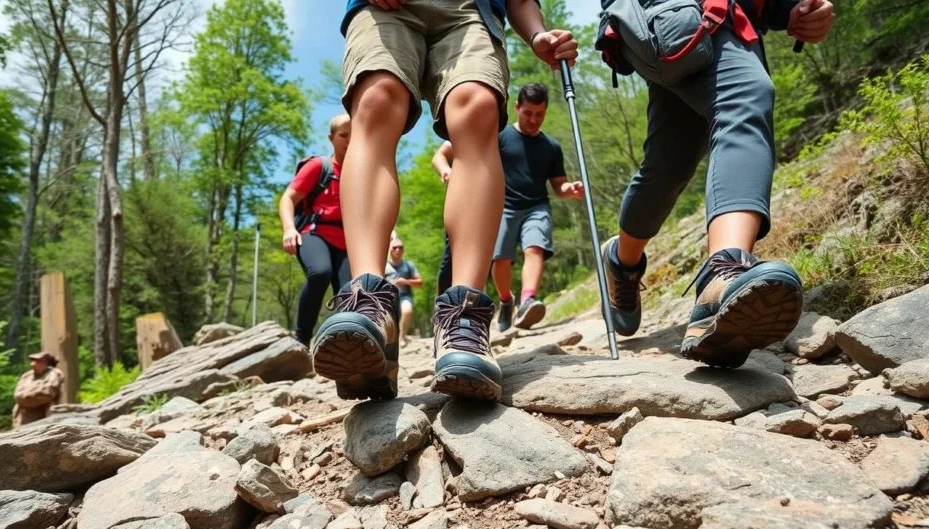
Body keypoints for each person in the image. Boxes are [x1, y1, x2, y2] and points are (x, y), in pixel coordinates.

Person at [311, 0, 577, 402]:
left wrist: (536, 32)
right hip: (384, 9)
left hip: (473, 9)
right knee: (376, 100)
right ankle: (368, 306)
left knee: (479, 107)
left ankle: (464, 318)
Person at [599, 0, 835, 368]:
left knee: (669, 163)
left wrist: (790, 10)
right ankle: (722, 277)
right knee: (745, 96)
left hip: (701, 22)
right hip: (673, 19)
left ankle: (622, 261)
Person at [432, 82, 584, 332]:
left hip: (536, 206)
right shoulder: (499, 135)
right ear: (517, 108)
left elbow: (559, 186)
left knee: (535, 248)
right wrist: (446, 170)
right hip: (501, 207)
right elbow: (443, 152)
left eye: (539, 114)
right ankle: (506, 300)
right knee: (501, 259)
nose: (533, 120)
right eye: (528, 113)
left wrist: (571, 190)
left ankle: (528, 300)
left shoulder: (551, 147)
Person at [279, 114, 353, 348]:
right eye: (344, 135)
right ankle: (301, 340)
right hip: (314, 233)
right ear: (331, 138)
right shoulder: (318, 167)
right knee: (320, 273)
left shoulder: (361, 173)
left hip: (347, 242)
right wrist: (289, 229)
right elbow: (288, 198)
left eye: (354, 135)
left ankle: (342, 345)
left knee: (351, 293)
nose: (349, 140)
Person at [385, 237, 423, 347]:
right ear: (389, 250)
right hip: (388, 298)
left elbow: (420, 282)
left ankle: (402, 336)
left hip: (405, 296)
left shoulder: (408, 265)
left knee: (407, 311)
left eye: (400, 247)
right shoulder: (384, 265)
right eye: (395, 247)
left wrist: (406, 281)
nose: (398, 250)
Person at [13, 351, 64, 427]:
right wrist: (31, 394)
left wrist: (28, 394)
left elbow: (47, 394)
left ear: (46, 363)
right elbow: (18, 395)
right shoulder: (27, 376)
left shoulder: (53, 374)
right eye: (33, 361)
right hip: (22, 419)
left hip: (43, 419)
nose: (33, 364)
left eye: (38, 361)